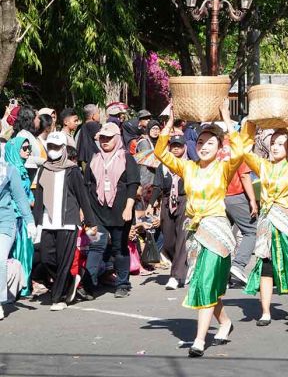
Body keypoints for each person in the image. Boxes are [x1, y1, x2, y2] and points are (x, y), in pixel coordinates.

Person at [155, 101, 243, 357]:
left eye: (210, 143)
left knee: (205, 282)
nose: (204, 146)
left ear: (219, 148)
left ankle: (199, 340)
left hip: (216, 231)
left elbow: (239, 152)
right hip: (195, 231)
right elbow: (161, 153)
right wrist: (169, 125)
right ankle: (225, 322)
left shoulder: (224, 168)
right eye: (201, 142)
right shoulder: (188, 168)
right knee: (207, 283)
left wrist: (227, 119)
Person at [241, 113, 288, 325]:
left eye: (281, 144)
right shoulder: (263, 165)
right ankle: (265, 311)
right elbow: (244, 151)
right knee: (266, 264)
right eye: (273, 143)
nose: (275, 147)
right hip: (267, 222)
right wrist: (250, 125)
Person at [33, 132, 97, 311]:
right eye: (50, 147)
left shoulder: (72, 170)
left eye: (56, 147)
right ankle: (71, 280)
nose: (53, 151)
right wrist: (35, 222)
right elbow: (39, 198)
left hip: (68, 222)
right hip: (47, 222)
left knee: (64, 260)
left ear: (63, 149)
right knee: (46, 259)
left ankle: (58, 298)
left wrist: (90, 221)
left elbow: (82, 197)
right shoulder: (43, 169)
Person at [84, 122, 139, 298]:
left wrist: (129, 207)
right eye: (102, 138)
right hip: (96, 212)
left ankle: (122, 283)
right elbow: (86, 186)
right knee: (96, 245)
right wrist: (84, 211)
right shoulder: (93, 159)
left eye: (108, 138)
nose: (105, 141)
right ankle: (88, 284)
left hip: (120, 211)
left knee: (119, 247)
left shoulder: (126, 158)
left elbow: (133, 184)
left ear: (116, 138)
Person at [149, 134, 188, 290]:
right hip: (167, 202)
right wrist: (151, 204)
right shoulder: (163, 166)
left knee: (182, 240)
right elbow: (157, 186)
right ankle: (182, 266)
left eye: (179, 145)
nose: (176, 148)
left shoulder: (188, 165)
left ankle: (176, 276)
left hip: (184, 201)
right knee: (168, 241)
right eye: (173, 145)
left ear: (184, 147)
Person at [0, 156, 35, 320]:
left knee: (0, 258)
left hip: (5, 221)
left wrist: (30, 222)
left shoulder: (9, 170)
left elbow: (20, 198)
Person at [4, 136, 35, 296]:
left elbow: (28, 194)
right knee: (15, 252)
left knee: (26, 252)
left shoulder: (21, 168)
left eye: (29, 147)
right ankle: (12, 289)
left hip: (24, 217)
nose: (28, 151)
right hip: (13, 218)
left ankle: (23, 286)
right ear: (15, 151)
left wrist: (30, 200)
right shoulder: (9, 170)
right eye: (24, 148)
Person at [223, 151, 257, 288]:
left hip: (217, 197)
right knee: (251, 231)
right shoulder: (236, 150)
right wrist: (253, 199)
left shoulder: (213, 148)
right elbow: (244, 175)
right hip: (236, 195)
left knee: (223, 237)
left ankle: (223, 276)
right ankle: (238, 265)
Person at [12, 106, 44, 180]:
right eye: (38, 118)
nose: (39, 120)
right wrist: (45, 162)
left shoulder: (29, 134)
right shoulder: (23, 134)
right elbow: (23, 158)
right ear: (31, 119)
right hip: (27, 179)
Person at [135, 119, 162, 186]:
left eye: (157, 129)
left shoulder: (158, 142)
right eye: (153, 128)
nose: (155, 131)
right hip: (146, 178)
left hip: (154, 178)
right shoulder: (144, 142)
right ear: (148, 129)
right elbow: (150, 161)